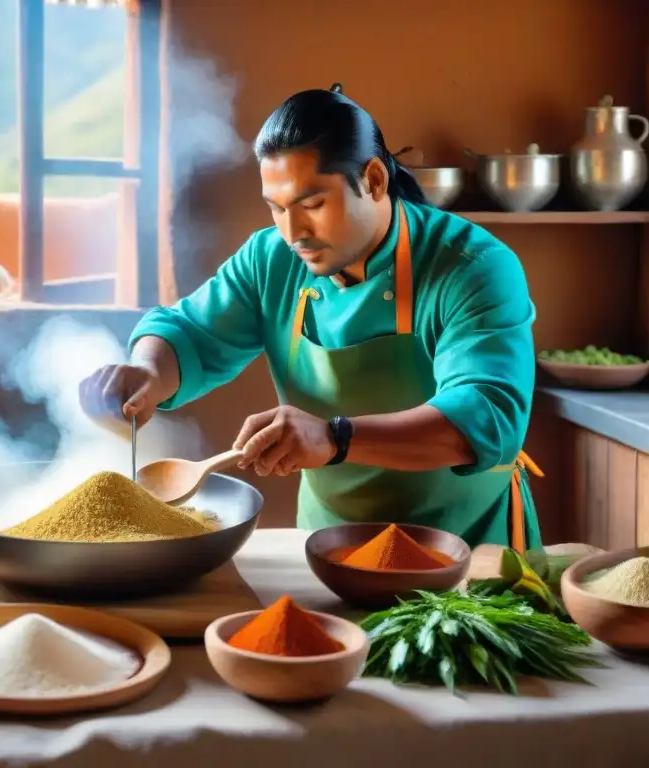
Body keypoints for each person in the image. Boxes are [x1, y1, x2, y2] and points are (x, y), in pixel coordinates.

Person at [79, 84, 542, 550]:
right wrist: (147, 371)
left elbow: (487, 415)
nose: (294, 231)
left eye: (313, 204)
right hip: (328, 545)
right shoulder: (270, 259)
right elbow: (188, 332)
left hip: (463, 552)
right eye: (276, 208)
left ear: (375, 180)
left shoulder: (473, 266)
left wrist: (334, 437)